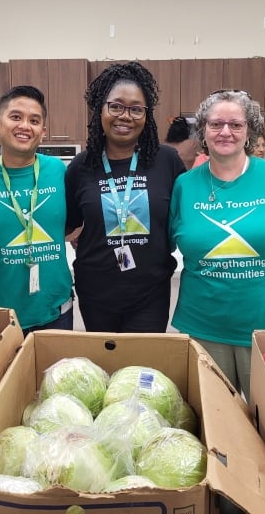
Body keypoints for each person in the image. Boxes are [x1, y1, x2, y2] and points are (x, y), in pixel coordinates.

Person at [170, 89, 265, 399]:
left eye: (236, 124)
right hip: (204, 324)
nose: (225, 132)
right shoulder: (184, 185)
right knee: (215, 422)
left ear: (249, 131)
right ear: (203, 131)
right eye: (216, 124)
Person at [65, 61, 185, 333]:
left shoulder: (167, 161)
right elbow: (68, 224)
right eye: (116, 106)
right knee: (103, 370)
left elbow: (185, 217)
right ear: (100, 109)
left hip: (150, 292)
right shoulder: (80, 167)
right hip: (96, 290)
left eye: (136, 109)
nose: (125, 116)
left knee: (141, 371)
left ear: (147, 115)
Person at [0, 85, 73, 335]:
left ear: (43, 132)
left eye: (34, 120)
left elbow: (76, 219)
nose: (25, 126)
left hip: (55, 308)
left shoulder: (59, 171)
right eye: (15, 117)